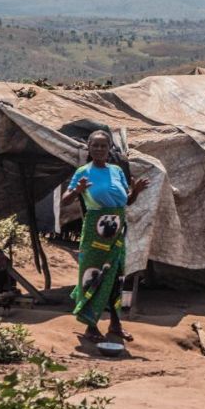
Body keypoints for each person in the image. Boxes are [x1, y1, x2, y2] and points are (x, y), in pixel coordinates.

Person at [62, 130, 149, 343]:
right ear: (89, 148)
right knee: (92, 275)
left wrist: (135, 191)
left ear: (110, 148)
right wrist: (77, 191)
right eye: (96, 146)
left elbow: (126, 202)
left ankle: (115, 324)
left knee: (116, 276)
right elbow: (65, 200)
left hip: (118, 229)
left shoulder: (117, 171)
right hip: (95, 232)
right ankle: (91, 326)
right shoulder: (84, 171)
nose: (100, 149)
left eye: (104, 146)